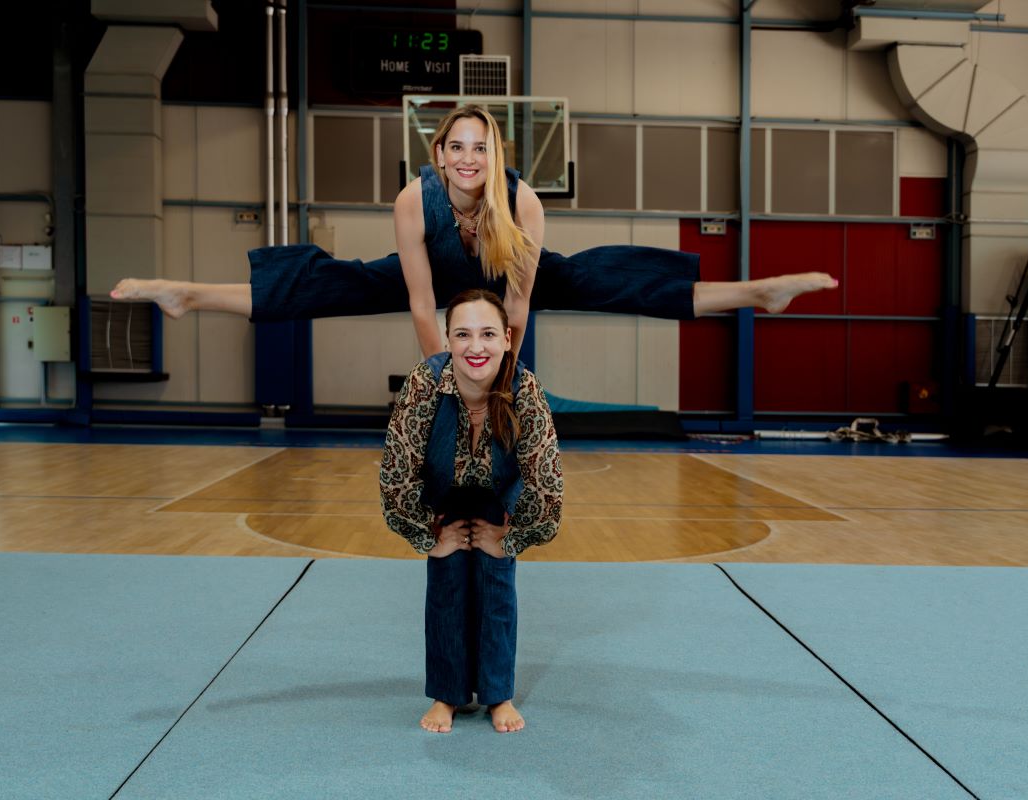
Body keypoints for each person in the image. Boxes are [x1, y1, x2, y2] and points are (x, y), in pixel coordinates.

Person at [110, 105, 837, 357]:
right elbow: (422, 305)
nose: (466, 157)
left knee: (601, 277)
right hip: (435, 276)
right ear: (438, 156)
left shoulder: (522, 203)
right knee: (335, 283)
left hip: (506, 275)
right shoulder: (410, 201)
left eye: (478, 146)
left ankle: (759, 291)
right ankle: (185, 293)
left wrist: (504, 377)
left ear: (494, 156)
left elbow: (517, 306)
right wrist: (443, 379)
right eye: (454, 146)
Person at [380, 288, 563, 734]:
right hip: (440, 492)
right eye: (462, 334)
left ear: (506, 338)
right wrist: (430, 538)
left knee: (496, 583)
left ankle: (499, 694)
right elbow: (396, 473)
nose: (475, 347)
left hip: (500, 494)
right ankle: (448, 695)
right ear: (447, 340)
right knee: (447, 582)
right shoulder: (424, 384)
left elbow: (547, 483)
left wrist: (509, 539)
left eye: (486, 334)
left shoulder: (525, 389)